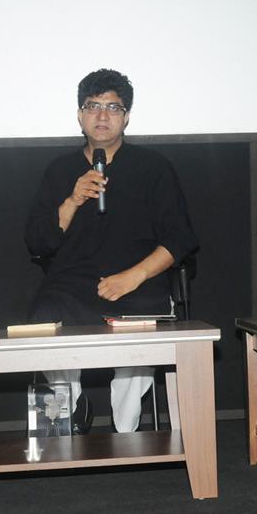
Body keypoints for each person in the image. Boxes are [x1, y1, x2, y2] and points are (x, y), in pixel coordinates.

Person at [25, 69, 197, 434]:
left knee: (143, 321)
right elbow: (38, 243)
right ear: (79, 114)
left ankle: (127, 425)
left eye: (113, 108)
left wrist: (133, 276)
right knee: (45, 315)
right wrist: (72, 200)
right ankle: (64, 414)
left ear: (127, 116)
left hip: (138, 281)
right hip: (73, 284)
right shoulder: (60, 170)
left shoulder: (153, 167)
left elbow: (180, 239)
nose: (102, 116)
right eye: (93, 106)